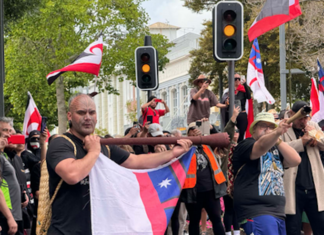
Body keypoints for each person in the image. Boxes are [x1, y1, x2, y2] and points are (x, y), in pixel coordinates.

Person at [46, 93, 192, 235]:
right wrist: (93, 152)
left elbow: (136, 161)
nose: (87, 117)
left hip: (99, 229)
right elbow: (72, 175)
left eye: (92, 112)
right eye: (81, 112)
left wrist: (172, 153)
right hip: (65, 231)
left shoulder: (104, 145)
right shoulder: (62, 143)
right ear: (70, 116)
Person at [232, 112, 301, 235]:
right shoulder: (245, 145)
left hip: (278, 211)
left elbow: (295, 160)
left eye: (271, 127)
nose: (268, 130)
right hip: (256, 210)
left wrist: (278, 140)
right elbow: (261, 146)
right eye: (263, 126)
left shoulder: (276, 147)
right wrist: (276, 132)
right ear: (253, 130)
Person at [282, 101, 324, 235]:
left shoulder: (313, 126)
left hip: (314, 187)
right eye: (300, 117)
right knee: (293, 228)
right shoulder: (283, 127)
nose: (304, 121)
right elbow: (280, 149)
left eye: (306, 117)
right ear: (291, 114)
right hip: (293, 188)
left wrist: (316, 136)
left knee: (320, 226)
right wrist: (302, 142)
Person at [180, 123, 227, 235]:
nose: (195, 131)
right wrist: (190, 138)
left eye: (197, 129)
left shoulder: (207, 145)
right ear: (188, 133)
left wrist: (211, 127)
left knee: (216, 218)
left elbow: (220, 138)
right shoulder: (184, 148)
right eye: (192, 129)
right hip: (193, 191)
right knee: (194, 221)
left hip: (211, 190)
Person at [0, 117, 24, 235]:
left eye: (11, 131)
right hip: (6, 216)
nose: (10, 135)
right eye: (6, 131)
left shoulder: (6, 155)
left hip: (13, 214)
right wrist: (9, 217)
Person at [222, 74, 251, 142]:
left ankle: (239, 148)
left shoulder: (243, 90)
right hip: (231, 114)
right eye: (235, 79)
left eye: (238, 79)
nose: (237, 80)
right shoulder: (228, 91)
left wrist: (245, 84)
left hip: (241, 114)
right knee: (229, 133)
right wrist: (226, 101)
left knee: (241, 134)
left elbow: (249, 97)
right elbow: (224, 101)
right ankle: (230, 148)